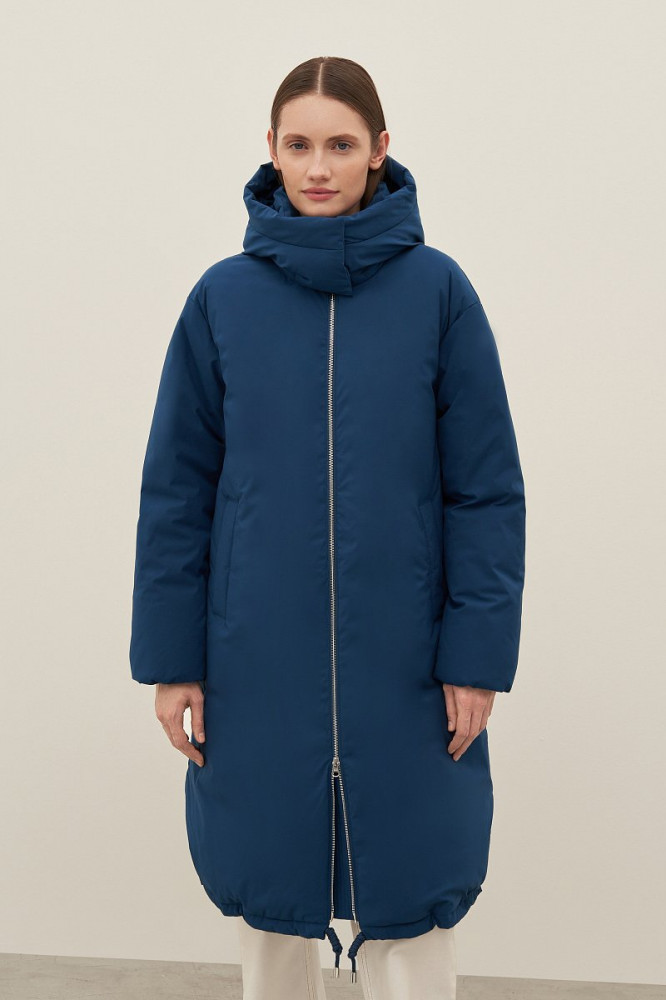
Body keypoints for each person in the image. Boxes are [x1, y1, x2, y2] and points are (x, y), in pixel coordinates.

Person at [129, 55, 526, 1000]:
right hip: (254, 658)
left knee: (414, 892)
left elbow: (485, 492)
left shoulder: (439, 294)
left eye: (341, 145)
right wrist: (173, 661)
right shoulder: (222, 300)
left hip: (410, 658)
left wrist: (476, 656)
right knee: (270, 897)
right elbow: (177, 494)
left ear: (380, 150)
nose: (318, 168)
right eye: (299, 145)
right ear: (270, 149)